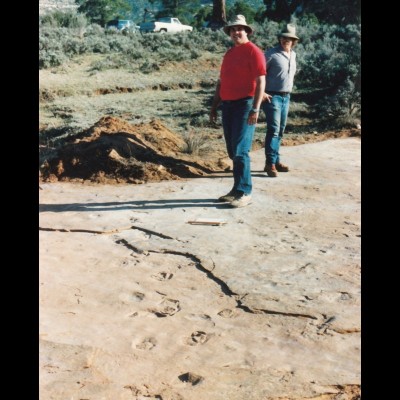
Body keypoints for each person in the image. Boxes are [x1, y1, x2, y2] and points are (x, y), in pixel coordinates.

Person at [210, 15, 266, 208]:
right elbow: (221, 82)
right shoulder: (230, 53)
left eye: (239, 29)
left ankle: (245, 191)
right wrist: (214, 106)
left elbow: (260, 82)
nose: (236, 32)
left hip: (245, 105)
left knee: (241, 150)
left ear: (247, 31)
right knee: (233, 150)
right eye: (233, 30)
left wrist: (256, 108)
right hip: (228, 105)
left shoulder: (254, 52)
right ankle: (236, 189)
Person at [262, 24, 299, 177]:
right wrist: (262, 92)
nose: (286, 40)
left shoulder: (294, 55)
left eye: (289, 38)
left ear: (293, 40)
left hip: (286, 96)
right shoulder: (271, 54)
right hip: (272, 96)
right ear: (280, 38)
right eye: (284, 37)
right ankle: (270, 163)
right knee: (274, 129)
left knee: (281, 130)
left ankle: (276, 161)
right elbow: (259, 73)